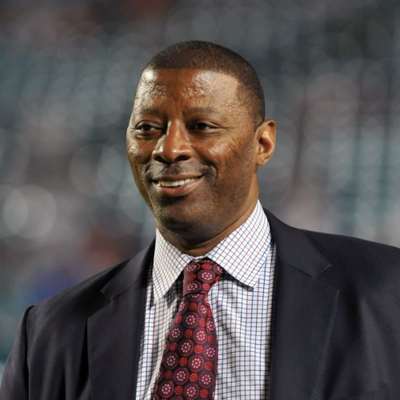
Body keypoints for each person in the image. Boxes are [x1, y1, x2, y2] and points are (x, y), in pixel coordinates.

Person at [1, 41, 400, 400]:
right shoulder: (50, 332)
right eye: (147, 128)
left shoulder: (387, 291)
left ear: (263, 144)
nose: (169, 148)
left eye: (202, 126)